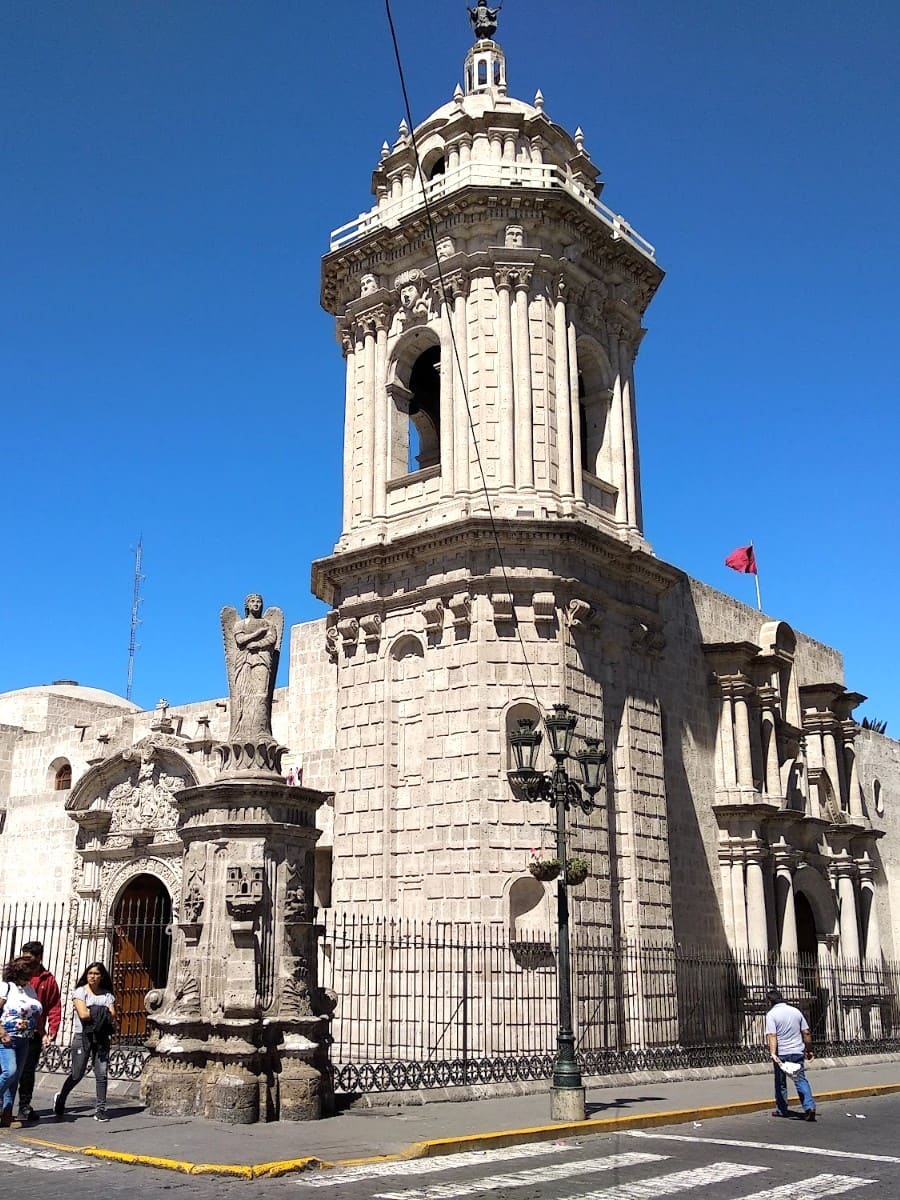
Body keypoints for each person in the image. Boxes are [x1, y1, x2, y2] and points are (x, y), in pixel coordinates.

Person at [53, 962, 116, 1122]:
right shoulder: (80, 992)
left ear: (102, 976)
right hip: (83, 1037)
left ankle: (100, 1109)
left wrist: (93, 1010)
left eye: (96, 973)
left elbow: (112, 1014)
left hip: (101, 1037)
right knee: (77, 1073)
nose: (92, 976)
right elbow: (83, 1014)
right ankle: (61, 1097)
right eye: (90, 973)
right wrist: (101, 1011)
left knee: (101, 1073)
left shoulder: (107, 995)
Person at [16, 940, 61, 1122]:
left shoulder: (47, 979)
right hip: (13, 1031)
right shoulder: (15, 976)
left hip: (34, 1032)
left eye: (29, 958)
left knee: (27, 1070)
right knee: (8, 1070)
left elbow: (54, 1006)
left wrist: (52, 1031)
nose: (25, 961)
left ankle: (24, 1106)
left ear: (38, 957)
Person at [0, 955, 43, 1129]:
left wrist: (43, 1032)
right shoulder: (6, 987)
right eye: (27, 973)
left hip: (25, 1038)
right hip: (6, 1038)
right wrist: (1, 1032)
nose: (30, 977)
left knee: (15, 1078)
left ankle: (6, 1115)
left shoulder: (30, 990)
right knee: (9, 1072)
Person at [765, 986, 816, 1121]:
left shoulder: (771, 1015)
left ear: (770, 1002)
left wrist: (773, 1053)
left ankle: (782, 1109)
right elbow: (806, 1032)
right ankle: (809, 1106)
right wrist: (809, 1049)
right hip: (797, 1051)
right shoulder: (796, 1011)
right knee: (800, 1080)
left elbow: (772, 1035)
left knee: (780, 1082)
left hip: (782, 1053)